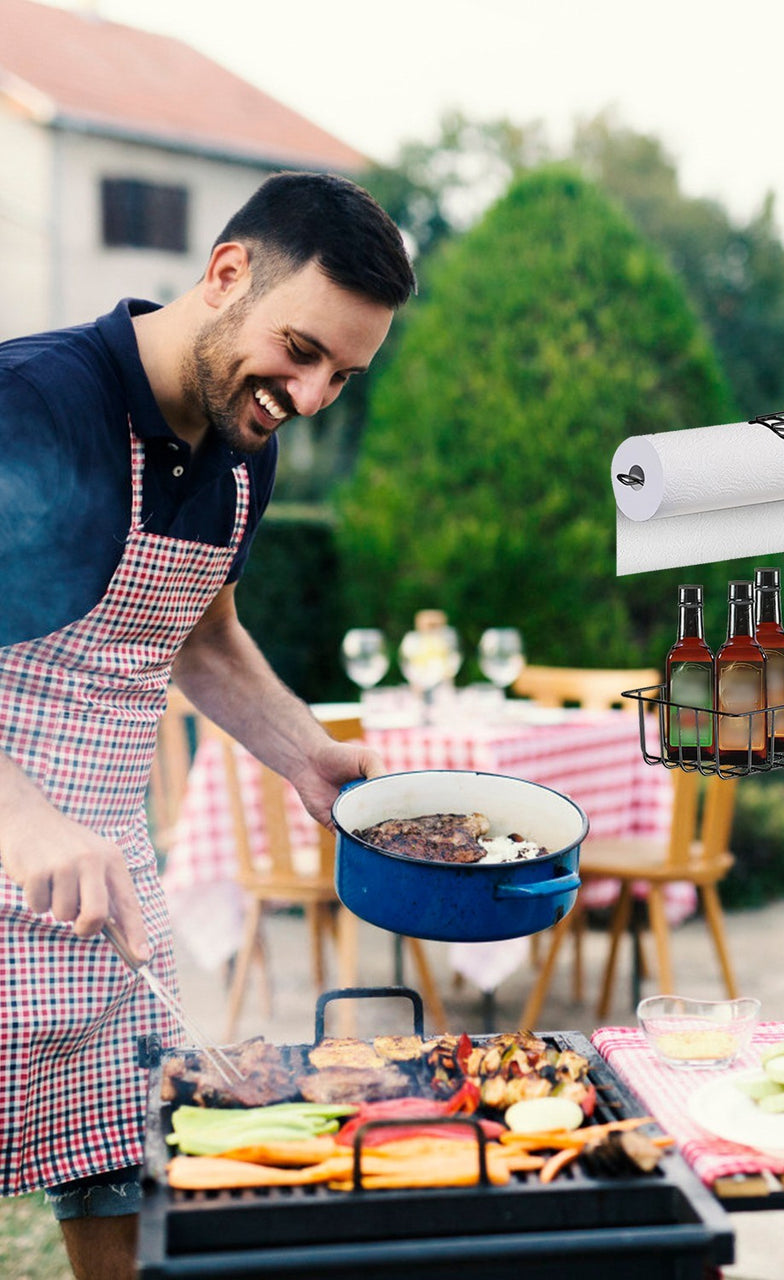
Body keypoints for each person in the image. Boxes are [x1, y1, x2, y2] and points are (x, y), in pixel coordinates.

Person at [0, 171, 416, 1280]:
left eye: (343, 373)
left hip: (104, 870)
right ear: (226, 273)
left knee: (116, 1167)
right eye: (303, 348)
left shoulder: (244, 443)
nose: (314, 391)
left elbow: (198, 631)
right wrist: (23, 816)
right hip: (21, 830)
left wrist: (306, 753)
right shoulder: (33, 401)